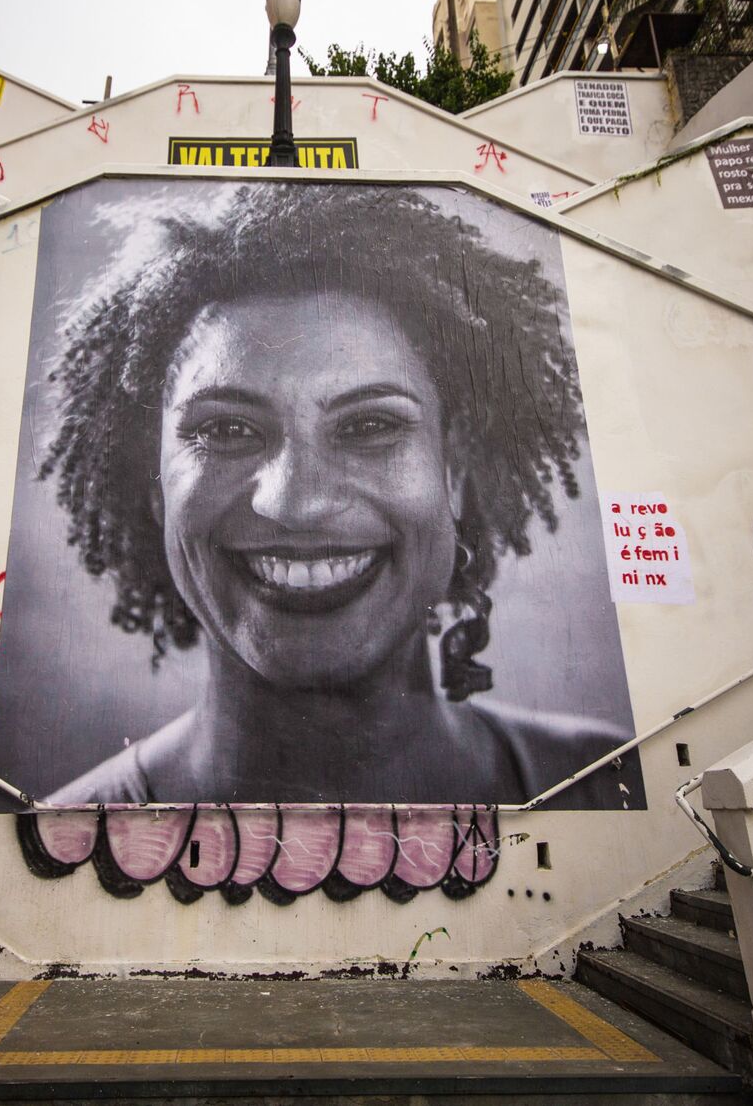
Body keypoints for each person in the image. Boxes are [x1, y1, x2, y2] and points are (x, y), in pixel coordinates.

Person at [37, 182, 632, 807]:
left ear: (453, 470)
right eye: (225, 430)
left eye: (370, 426)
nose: (297, 502)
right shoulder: (58, 846)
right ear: (154, 486)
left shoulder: (606, 784)